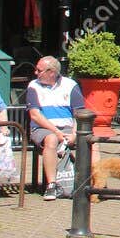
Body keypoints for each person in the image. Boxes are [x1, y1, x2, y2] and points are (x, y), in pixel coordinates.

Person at [25, 55, 85, 200]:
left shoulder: (70, 85)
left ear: (51, 72)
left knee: (92, 142)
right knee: (51, 140)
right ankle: (52, 185)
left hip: (68, 128)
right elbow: (35, 115)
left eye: (39, 70)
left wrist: (75, 134)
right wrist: (57, 132)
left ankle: (93, 185)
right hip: (42, 129)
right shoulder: (34, 86)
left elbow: (80, 114)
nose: (35, 73)